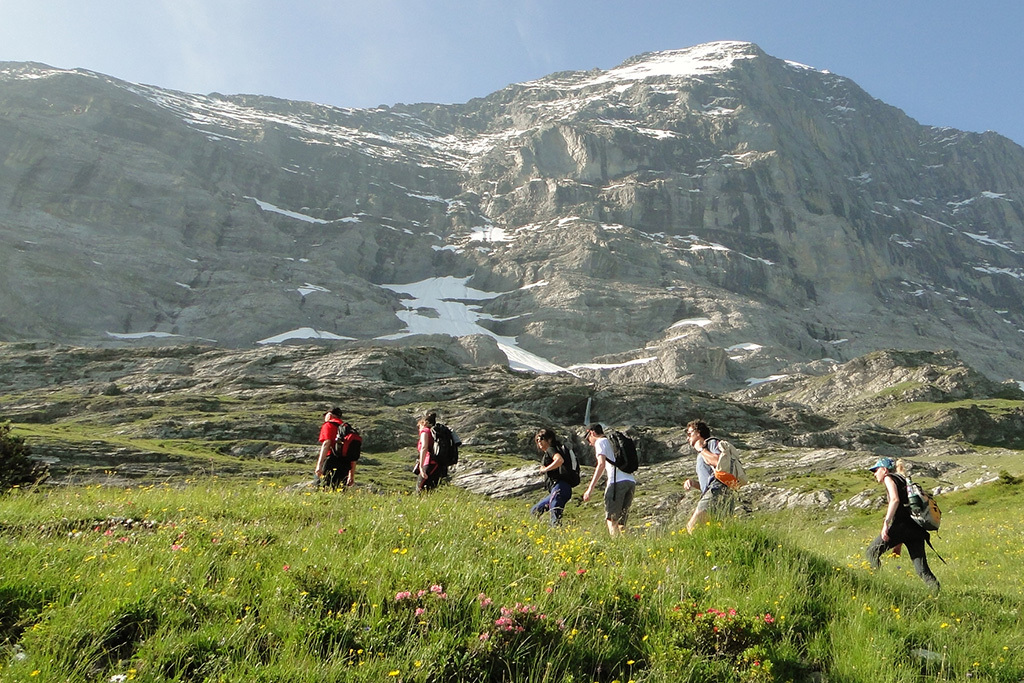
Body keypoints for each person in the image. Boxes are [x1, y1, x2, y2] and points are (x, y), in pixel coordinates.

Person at [866, 457, 940, 593]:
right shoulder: (904, 480)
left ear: (884, 469)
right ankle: (936, 593)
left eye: (876, 470)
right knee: (922, 570)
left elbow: (895, 500)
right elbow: (906, 508)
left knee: (871, 552)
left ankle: (878, 587)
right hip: (916, 529)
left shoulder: (889, 478)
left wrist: (886, 523)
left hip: (902, 527)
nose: (874, 474)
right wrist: (898, 544)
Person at [682, 420, 735, 533]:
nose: (688, 438)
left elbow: (717, 461)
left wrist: (701, 449)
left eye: (689, 433)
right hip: (719, 491)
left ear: (698, 432)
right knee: (717, 531)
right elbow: (707, 482)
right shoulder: (703, 451)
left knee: (692, 527)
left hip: (717, 490)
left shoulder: (710, 443)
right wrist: (694, 483)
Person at [582, 423, 635, 536]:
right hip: (630, 481)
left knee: (611, 520)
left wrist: (590, 489)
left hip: (616, 483)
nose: (590, 443)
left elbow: (601, 465)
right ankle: (628, 544)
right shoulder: (612, 442)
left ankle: (616, 546)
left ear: (592, 433)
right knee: (621, 522)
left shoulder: (600, 442)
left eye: (588, 439)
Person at [530, 428, 574, 526]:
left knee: (554, 515)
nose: (539, 442)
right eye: (537, 440)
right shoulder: (553, 450)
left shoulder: (551, 449)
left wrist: (545, 469)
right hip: (561, 488)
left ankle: (556, 533)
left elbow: (559, 460)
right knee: (535, 510)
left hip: (560, 487)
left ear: (549, 439)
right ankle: (538, 531)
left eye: (541, 438)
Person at [315, 407, 355, 489]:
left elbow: (326, 444)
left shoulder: (329, 425)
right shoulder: (347, 429)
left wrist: (319, 465)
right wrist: (351, 475)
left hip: (331, 461)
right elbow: (353, 453)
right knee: (339, 490)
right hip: (345, 464)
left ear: (330, 415)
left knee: (322, 488)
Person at [416, 413, 444, 492]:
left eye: (419, 426)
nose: (419, 429)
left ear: (423, 423)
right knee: (429, 490)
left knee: (420, 489)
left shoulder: (425, 431)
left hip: (429, 463)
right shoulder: (435, 433)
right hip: (437, 465)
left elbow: (424, 447)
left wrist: (421, 467)